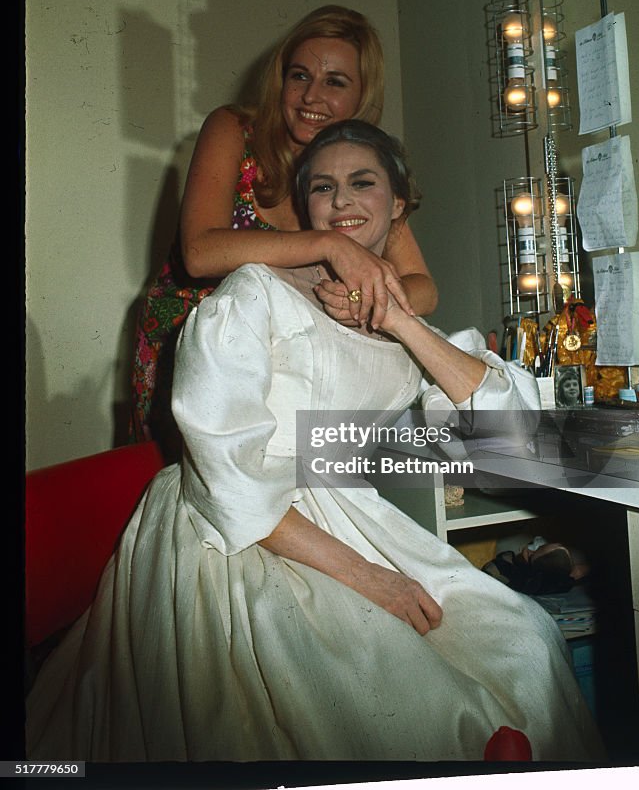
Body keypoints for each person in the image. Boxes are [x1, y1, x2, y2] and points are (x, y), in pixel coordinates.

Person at [27, 121, 601, 762]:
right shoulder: (254, 294)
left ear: (399, 205)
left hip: (347, 516)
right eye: (324, 188)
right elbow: (225, 470)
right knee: (394, 701)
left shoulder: (395, 319)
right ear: (308, 213)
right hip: (235, 533)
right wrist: (369, 578)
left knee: (526, 642)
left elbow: (516, 436)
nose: (343, 201)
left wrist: (401, 324)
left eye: (364, 183)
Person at [131, 5, 438, 460]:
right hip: (190, 350)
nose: (312, 96)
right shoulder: (234, 130)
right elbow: (198, 252)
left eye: (335, 82)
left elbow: (422, 288)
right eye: (300, 76)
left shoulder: (363, 165)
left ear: (361, 97)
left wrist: (361, 300)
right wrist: (329, 244)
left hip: (285, 361)